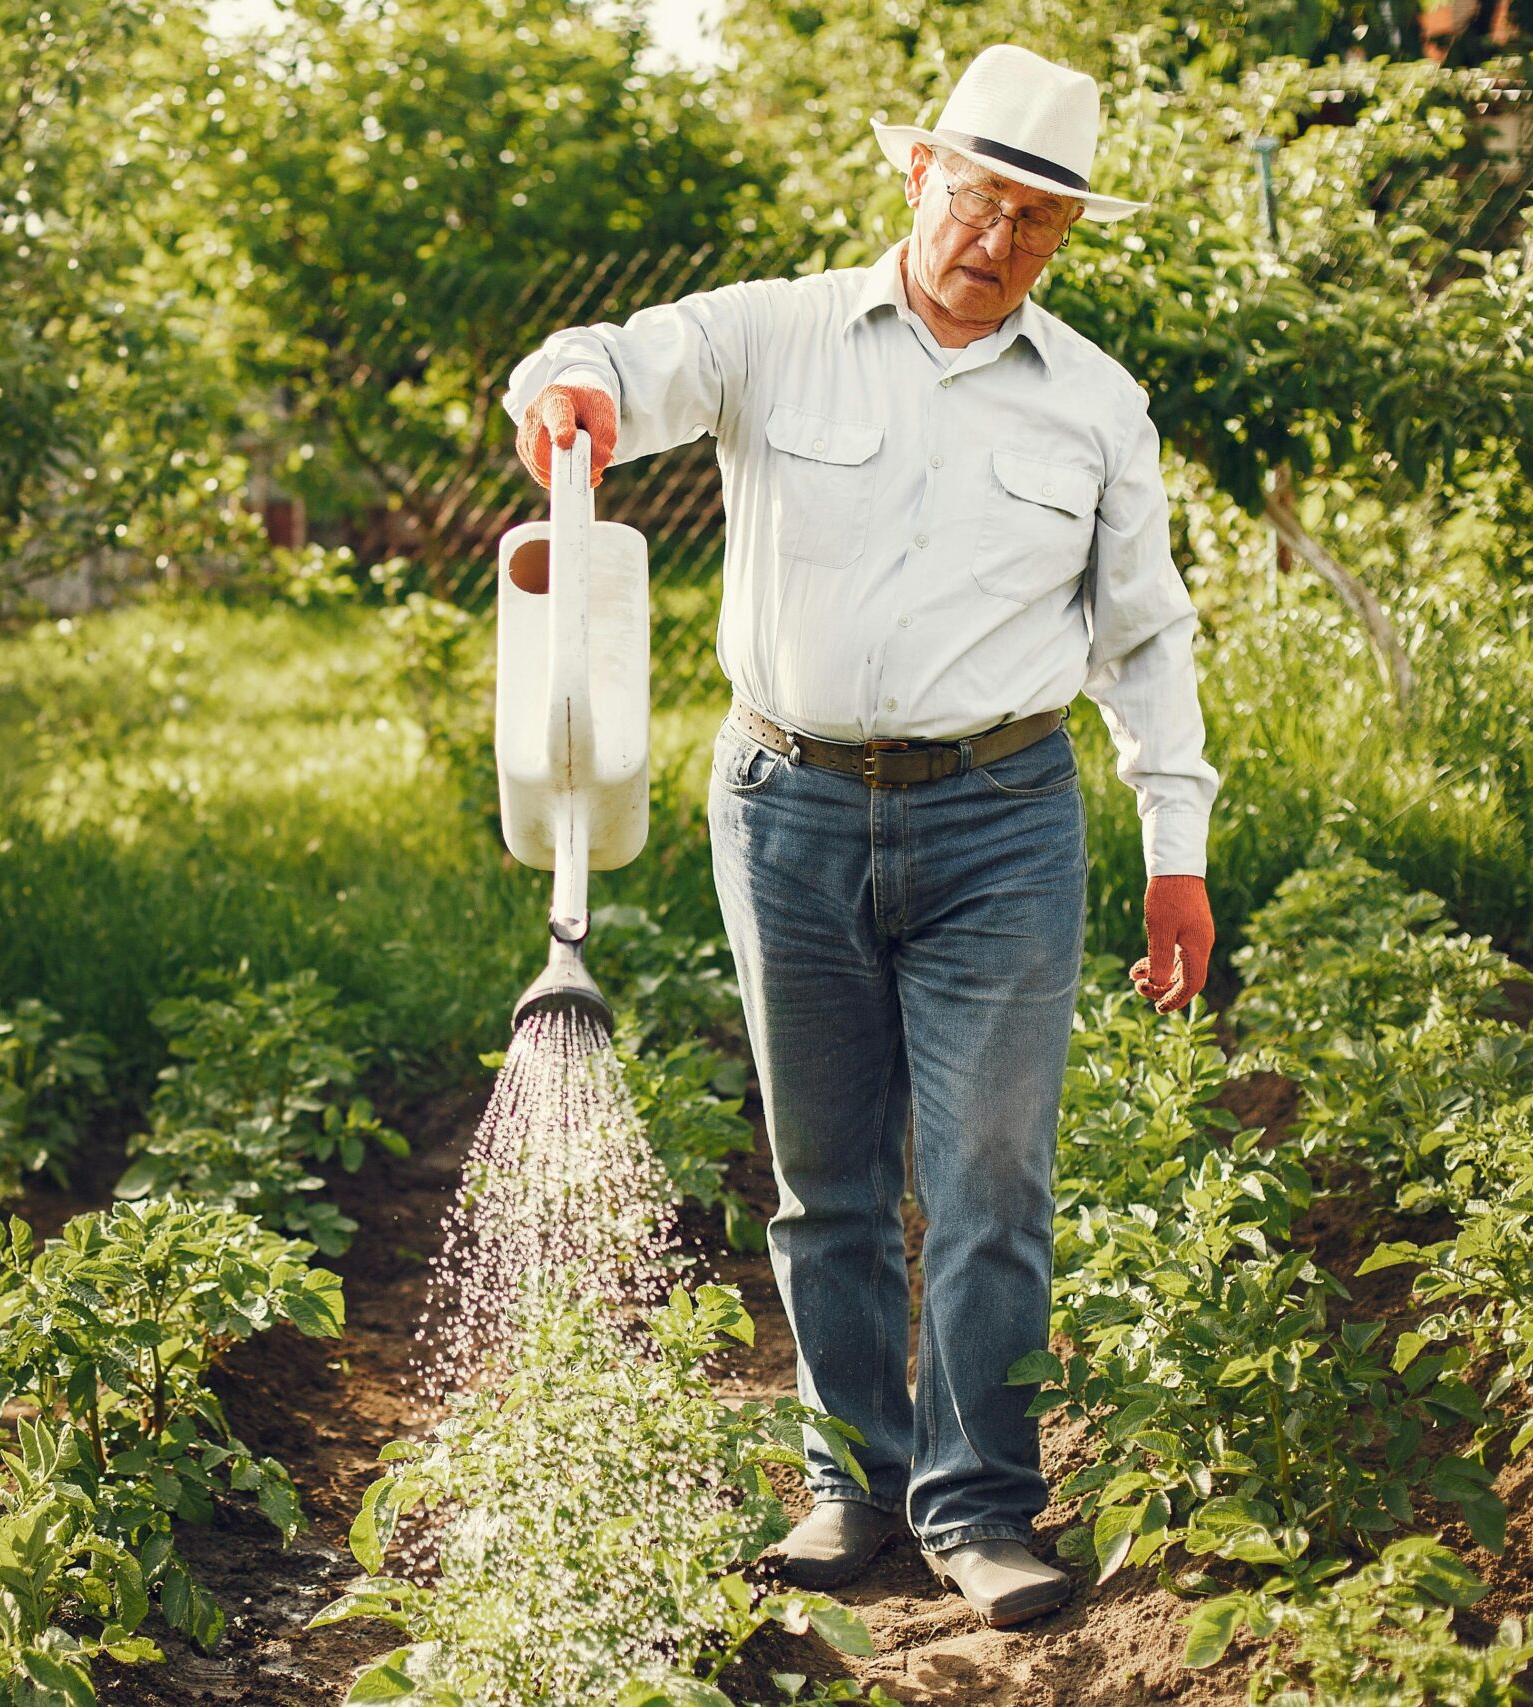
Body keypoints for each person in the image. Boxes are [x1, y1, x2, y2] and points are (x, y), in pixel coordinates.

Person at [501, 43, 1219, 1629]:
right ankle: (849, 1479)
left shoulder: (1098, 404)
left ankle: (977, 1503)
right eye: (982, 199)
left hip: (1002, 821)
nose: (1002, 243)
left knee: (987, 1179)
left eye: (1042, 222)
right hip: (789, 809)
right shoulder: (776, 334)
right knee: (825, 1176)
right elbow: (615, 355)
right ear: (917, 176)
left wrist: (1179, 843)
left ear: (1068, 235)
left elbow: (1147, 637)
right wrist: (578, 396)